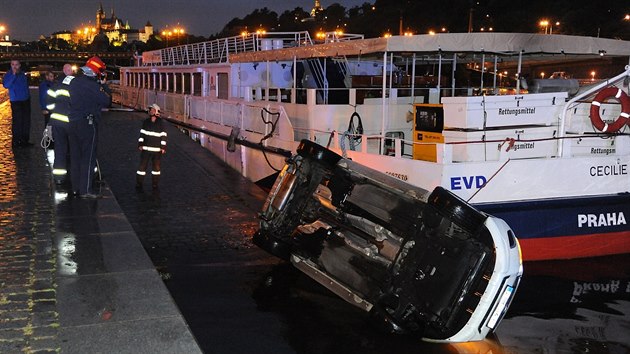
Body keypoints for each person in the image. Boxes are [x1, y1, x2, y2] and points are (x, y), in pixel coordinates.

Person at [67, 56, 111, 198]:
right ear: (95, 72)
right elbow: (107, 101)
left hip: (72, 123)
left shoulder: (73, 82)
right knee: (88, 157)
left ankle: (75, 188)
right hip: (88, 124)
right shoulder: (93, 86)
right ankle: (86, 190)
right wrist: (103, 85)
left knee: (75, 157)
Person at [47, 64, 75, 185]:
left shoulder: (55, 87)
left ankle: (59, 177)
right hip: (72, 122)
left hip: (57, 122)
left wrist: (56, 110)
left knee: (60, 148)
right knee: (75, 148)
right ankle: (76, 175)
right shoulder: (75, 88)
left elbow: (49, 105)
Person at [136, 103, 167, 190]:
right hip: (146, 149)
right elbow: (142, 134)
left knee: (156, 169)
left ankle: (155, 184)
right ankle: (139, 183)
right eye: (150, 110)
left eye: (152, 110)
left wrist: (163, 147)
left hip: (157, 150)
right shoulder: (146, 122)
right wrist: (140, 144)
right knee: (142, 168)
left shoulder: (161, 123)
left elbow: (163, 135)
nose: (150, 111)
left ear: (156, 111)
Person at [2, 60, 32, 147]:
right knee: (17, 121)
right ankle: (16, 141)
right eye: (13, 64)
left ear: (19, 65)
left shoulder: (23, 74)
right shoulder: (8, 75)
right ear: (10, 65)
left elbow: (25, 86)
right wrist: (13, 75)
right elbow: (6, 85)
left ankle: (24, 140)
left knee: (26, 121)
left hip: (25, 100)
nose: (15, 66)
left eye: (16, 64)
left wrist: (27, 96)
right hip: (16, 101)